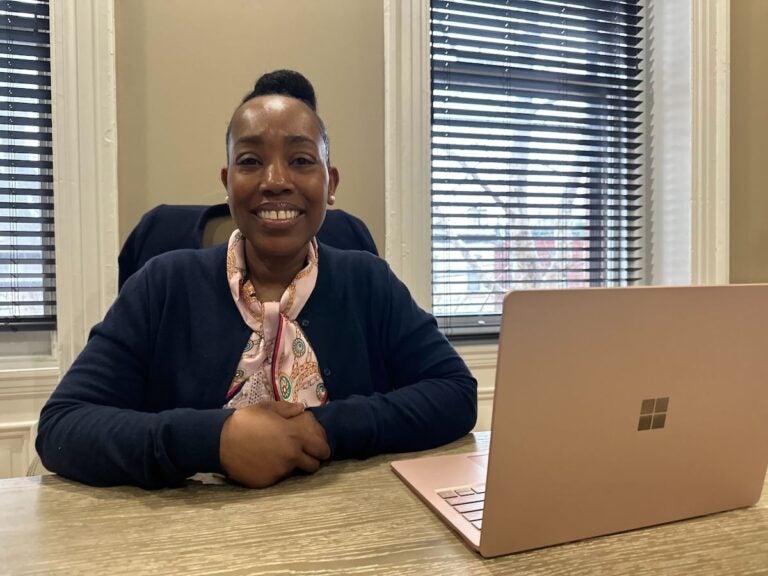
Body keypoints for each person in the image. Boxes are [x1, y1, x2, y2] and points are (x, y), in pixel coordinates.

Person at [36, 70, 477, 489]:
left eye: (301, 160)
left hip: (349, 527)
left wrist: (321, 428)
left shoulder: (369, 282)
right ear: (228, 184)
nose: (275, 181)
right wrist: (214, 440)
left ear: (330, 184)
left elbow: (455, 394)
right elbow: (64, 425)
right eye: (250, 161)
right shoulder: (162, 285)